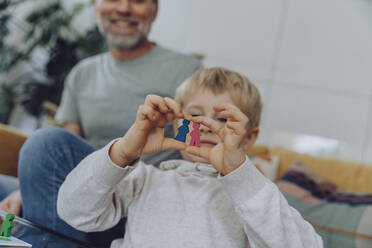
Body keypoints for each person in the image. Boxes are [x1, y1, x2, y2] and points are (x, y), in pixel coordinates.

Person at [0, 0, 200, 246]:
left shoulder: (187, 72)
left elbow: (197, 142)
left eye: (137, 0)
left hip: (135, 202)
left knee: (45, 140)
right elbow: (66, 152)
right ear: (96, 6)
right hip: (84, 190)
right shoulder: (83, 73)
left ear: (154, 10)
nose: (124, 8)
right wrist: (30, 187)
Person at [57, 67, 323, 247]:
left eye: (223, 119)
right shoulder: (145, 178)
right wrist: (123, 152)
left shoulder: (251, 197)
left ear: (249, 138)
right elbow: (75, 212)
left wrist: (240, 173)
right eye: (195, 115)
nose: (206, 125)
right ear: (177, 125)